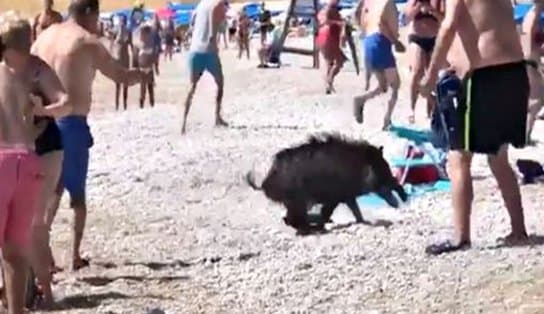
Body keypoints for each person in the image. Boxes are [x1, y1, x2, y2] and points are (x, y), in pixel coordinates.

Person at [32, 0, 145, 271]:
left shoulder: (44, 37)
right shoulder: (86, 41)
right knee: (76, 196)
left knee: (48, 190)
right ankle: (74, 256)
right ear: (89, 13)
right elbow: (120, 75)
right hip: (71, 123)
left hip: (42, 121)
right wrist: (141, 75)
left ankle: (42, 253)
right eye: (96, 17)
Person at [419, 0, 529, 255]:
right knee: (498, 156)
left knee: (458, 157)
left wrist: (429, 76)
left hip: (482, 78)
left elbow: (449, 27)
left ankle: (461, 237)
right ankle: (518, 230)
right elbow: (482, 20)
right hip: (513, 73)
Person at [0, 11, 67, 313]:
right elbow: (65, 103)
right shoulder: (36, 69)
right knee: (15, 251)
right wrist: (42, 112)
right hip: (29, 160)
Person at [353, 0, 405, 130]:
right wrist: (396, 42)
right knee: (395, 85)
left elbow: (357, 17)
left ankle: (361, 100)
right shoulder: (388, 3)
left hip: (369, 41)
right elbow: (384, 24)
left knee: (382, 86)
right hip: (381, 41)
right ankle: (387, 120)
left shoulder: (369, 3)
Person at [182, 0, 228, 134]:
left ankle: (183, 123)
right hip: (209, 51)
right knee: (220, 82)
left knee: (191, 87)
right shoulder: (218, 4)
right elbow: (215, 29)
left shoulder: (201, 4)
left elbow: (192, 25)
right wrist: (214, 44)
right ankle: (217, 117)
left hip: (194, 50)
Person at [404, 0, 443, 123]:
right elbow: (406, 18)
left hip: (434, 38)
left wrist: (432, 10)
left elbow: (444, 19)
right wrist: (418, 7)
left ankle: (430, 112)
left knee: (432, 75)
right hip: (417, 37)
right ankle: (411, 109)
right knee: (417, 71)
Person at [521, 2, 544, 143]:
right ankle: (524, 137)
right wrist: (533, 65)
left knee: (533, 101)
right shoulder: (533, 15)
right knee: (535, 101)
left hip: (528, 62)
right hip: (530, 63)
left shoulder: (531, 14)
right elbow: (529, 44)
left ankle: (524, 136)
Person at [316, 0, 346, 94]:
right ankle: (329, 81)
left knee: (330, 62)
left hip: (323, 37)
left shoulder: (324, 9)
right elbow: (326, 21)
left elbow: (321, 21)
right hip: (328, 36)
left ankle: (328, 85)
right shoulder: (330, 9)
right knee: (339, 61)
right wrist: (339, 23)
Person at [111, 14, 132, 111]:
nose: (121, 22)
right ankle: (117, 104)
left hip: (125, 58)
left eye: (123, 21)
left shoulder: (128, 31)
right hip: (118, 57)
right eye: (120, 20)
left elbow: (131, 44)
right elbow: (112, 43)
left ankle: (125, 104)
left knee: (125, 82)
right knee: (117, 83)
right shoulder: (115, 30)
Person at [134, 24, 156, 108]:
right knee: (143, 88)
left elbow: (153, 56)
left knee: (149, 86)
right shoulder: (139, 44)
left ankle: (151, 103)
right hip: (143, 68)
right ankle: (142, 103)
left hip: (148, 68)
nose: (143, 35)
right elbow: (136, 58)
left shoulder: (150, 43)